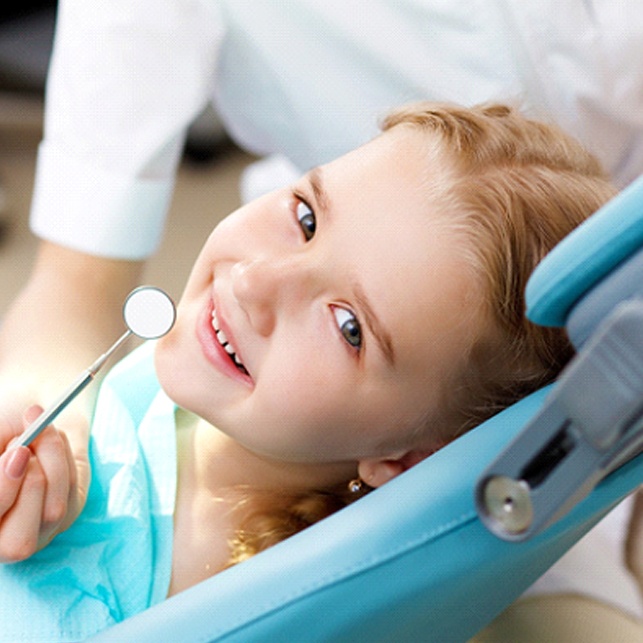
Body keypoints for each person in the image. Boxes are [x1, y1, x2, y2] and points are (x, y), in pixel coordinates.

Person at [0, 101, 620, 640]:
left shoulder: (198, 606)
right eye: (306, 218)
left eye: (349, 326)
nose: (253, 280)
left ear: (407, 460)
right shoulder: (197, 401)